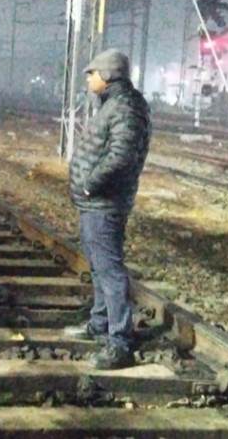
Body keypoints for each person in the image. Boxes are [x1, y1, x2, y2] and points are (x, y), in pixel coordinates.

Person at [64, 49, 151, 370]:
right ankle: (100, 324)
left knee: (110, 271)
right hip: (95, 202)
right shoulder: (116, 104)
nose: (88, 78)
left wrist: (90, 183)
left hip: (104, 201)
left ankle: (120, 342)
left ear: (109, 75)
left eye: (92, 73)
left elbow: (121, 157)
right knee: (100, 267)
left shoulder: (125, 108)